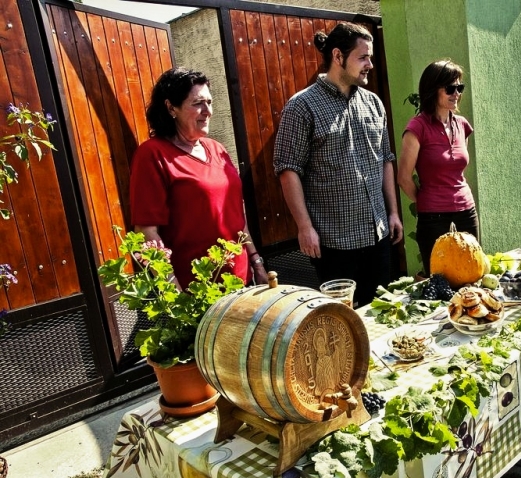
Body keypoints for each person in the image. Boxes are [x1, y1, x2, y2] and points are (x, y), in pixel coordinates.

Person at [273, 22, 402, 308]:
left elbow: (385, 159)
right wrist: (304, 227)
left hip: (378, 235)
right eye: (363, 57)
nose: (370, 65)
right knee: (342, 321)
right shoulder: (302, 107)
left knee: (382, 313)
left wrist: (393, 212)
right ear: (338, 56)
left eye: (370, 57)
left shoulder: (374, 103)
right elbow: (288, 170)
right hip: (334, 243)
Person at [129, 67, 268, 289]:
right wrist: (173, 289)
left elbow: (236, 215)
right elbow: (147, 231)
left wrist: (256, 262)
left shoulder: (218, 149)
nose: (208, 111)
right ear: (171, 107)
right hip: (196, 290)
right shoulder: (153, 155)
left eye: (209, 102)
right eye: (198, 103)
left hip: (241, 281)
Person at [397, 59, 478, 276]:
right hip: (433, 218)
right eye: (450, 88)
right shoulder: (417, 127)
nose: (456, 94)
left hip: (466, 211)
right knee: (439, 281)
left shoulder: (462, 125)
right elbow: (403, 177)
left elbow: (457, 169)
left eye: (460, 88)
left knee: (471, 274)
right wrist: (427, 200)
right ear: (433, 89)